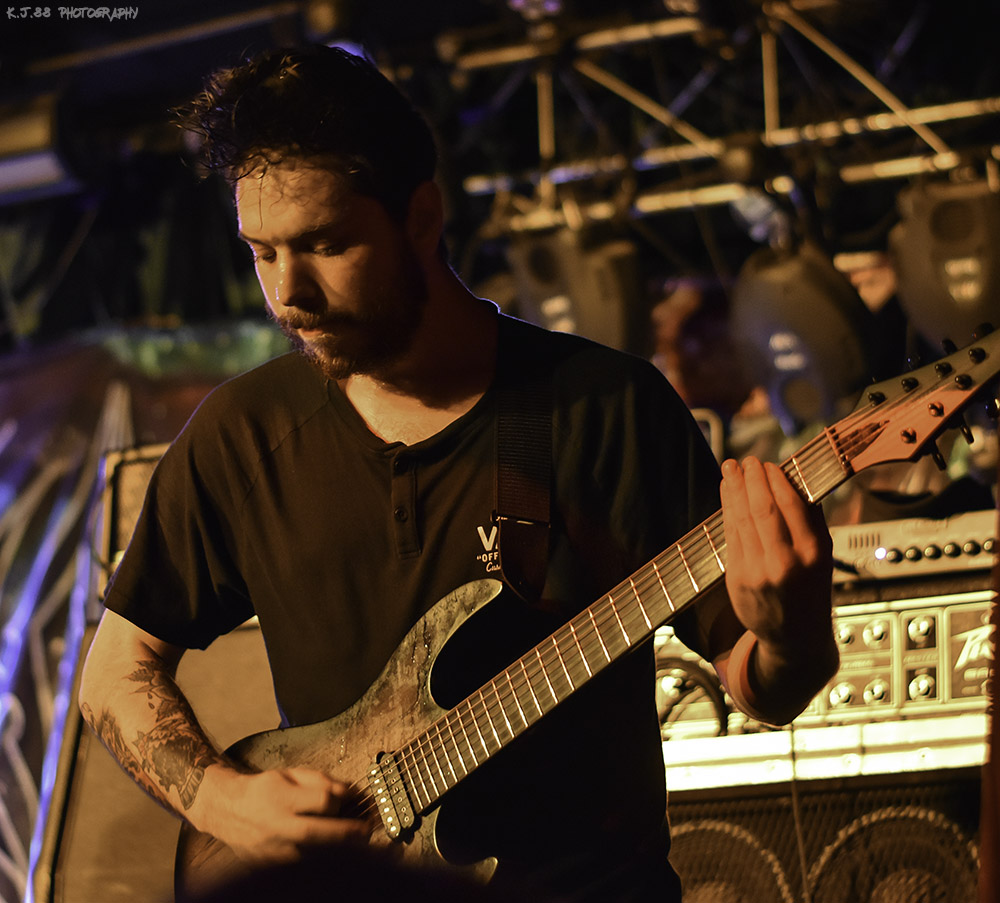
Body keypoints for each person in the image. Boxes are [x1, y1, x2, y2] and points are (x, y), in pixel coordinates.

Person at [77, 45, 839, 903]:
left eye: (325, 244)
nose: (289, 293)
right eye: (263, 253)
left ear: (422, 217)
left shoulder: (607, 408)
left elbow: (757, 682)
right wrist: (223, 798)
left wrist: (795, 636)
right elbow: (114, 674)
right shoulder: (241, 436)